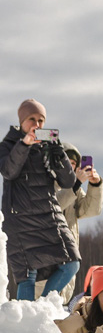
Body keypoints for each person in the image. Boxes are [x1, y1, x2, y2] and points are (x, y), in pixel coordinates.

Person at [1, 99, 79, 301]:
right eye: (32, 119)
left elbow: (68, 181)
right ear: (21, 121)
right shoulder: (8, 145)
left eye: (41, 120)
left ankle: (43, 306)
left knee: (72, 263)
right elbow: (8, 171)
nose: (37, 124)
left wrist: (60, 156)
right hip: (20, 219)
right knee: (28, 276)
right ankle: (29, 316)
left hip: (49, 215)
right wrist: (24, 145)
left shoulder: (48, 145)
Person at [35, 142, 102, 301]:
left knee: (55, 304)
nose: (70, 166)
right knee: (38, 304)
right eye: (66, 161)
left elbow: (89, 210)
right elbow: (53, 206)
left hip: (66, 255)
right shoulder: (42, 182)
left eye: (73, 163)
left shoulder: (74, 187)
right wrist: (76, 184)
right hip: (45, 258)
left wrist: (95, 185)